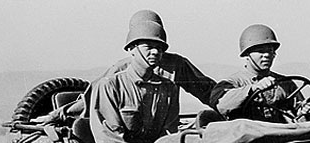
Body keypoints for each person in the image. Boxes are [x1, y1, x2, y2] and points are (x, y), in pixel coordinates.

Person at [36, 10, 215, 124]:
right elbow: (91, 100)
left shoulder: (177, 65)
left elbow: (208, 91)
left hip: (164, 136)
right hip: (130, 136)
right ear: (133, 45)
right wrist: (58, 114)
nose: (153, 50)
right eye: (146, 43)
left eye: (157, 43)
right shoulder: (120, 69)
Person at [89, 19, 177, 143]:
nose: (155, 52)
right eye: (148, 46)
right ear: (132, 49)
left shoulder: (168, 88)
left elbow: (170, 132)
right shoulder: (109, 85)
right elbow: (110, 137)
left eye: (160, 48)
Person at [209, 24, 310, 123]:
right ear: (247, 54)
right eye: (260, 51)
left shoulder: (286, 84)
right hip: (248, 139)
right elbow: (222, 105)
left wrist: (305, 111)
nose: (267, 55)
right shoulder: (231, 83)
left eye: (270, 51)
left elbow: (300, 117)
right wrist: (253, 88)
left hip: (280, 137)